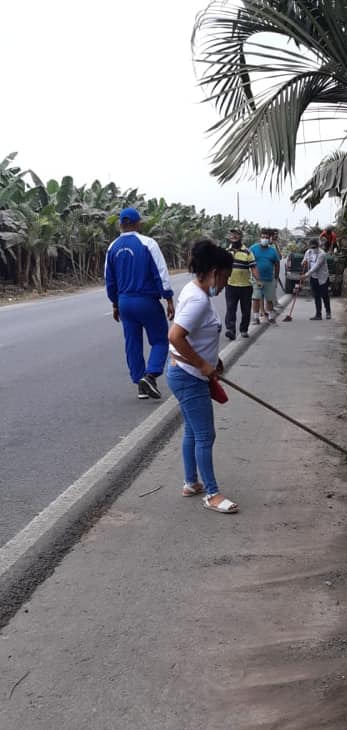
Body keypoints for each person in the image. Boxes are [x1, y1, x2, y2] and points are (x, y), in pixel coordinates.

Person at [166, 239, 238, 515]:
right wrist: (202, 365)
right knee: (206, 435)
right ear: (215, 272)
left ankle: (190, 482)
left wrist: (212, 360)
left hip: (185, 373)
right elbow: (175, 336)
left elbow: (197, 335)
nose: (226, 284)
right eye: (226, 277)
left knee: (192, 431)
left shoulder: (196, 290)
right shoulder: (198, 300)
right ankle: (212, 493)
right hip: (188, 376)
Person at [105, 207, 175, 399]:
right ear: (138, 223)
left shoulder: (112, 247)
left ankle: (140, 384)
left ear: (120, 225)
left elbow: (109, 280)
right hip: (146, 300)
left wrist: (115, 303)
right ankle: (150, 375)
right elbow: (161, 273)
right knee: (160, 339)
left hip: (125, 302)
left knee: (132, 343)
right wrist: (168, 298)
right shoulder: (148, 243)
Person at [224, 227, 259, 341]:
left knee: (246, 310)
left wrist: (258, 281)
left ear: (240, 237)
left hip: (245, 286)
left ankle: (244, 330)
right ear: (229, 237)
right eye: (232, 234)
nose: (234, 236)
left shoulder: (248, 252)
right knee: (230, 309)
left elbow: (253, 268)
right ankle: (230, 330)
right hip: (231, 285)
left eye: (236, 234)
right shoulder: (226, 252)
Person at [250, 229, 280, 325]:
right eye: (263, 237)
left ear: (269, 238)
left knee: (269, 298)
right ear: (260, 238)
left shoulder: (272, 251)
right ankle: (256, 318)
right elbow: (248, 261)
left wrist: (276, 278)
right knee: (256, 298)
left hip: (269, 279)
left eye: (266, 237)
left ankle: (270, 317)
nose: (264, 239)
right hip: (256, 279)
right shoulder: (253, 249)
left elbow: (277, 264)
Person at [301, 238, 332, 321]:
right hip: (313, 277)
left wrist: (306, 275)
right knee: (316, 296)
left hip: (322, 278)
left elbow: (316, 267)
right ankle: (318, 314)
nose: (313, 249)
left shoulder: (322, 254)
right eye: (312, 247)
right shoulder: (308, 252)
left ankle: (328, 312)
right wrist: (304, 262)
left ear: (318, 246)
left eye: (314, 247)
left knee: (325, 295)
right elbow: (304, 260)